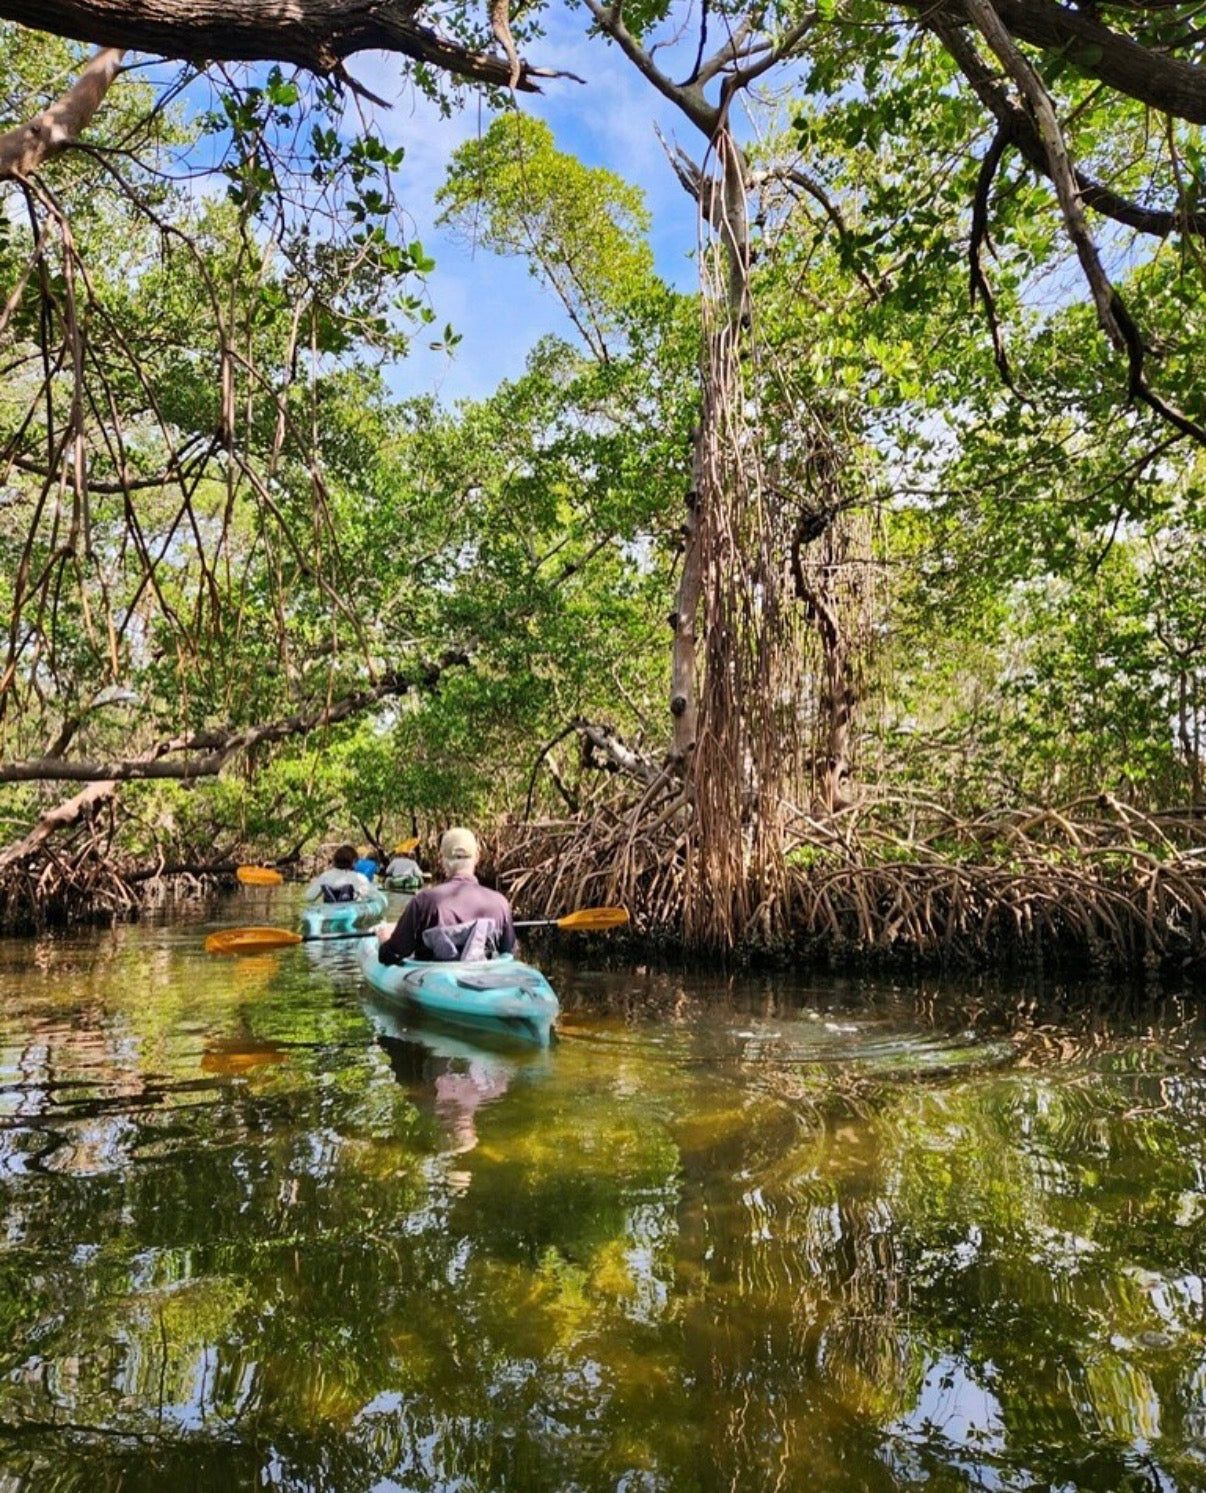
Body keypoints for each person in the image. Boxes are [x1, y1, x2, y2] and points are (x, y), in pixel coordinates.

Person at [376, 827, 515, 964]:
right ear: (477, 857)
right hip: (483, 979)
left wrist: (386, 940)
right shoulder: (500, 903)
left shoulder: (423, 902)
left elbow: (391, 955)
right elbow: (508, 953)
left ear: (442, 859)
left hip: (432, 983)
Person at [303, 843, 374, 904]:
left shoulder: (325, 876)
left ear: (335, 860)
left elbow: (309, 897)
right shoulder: (359, 878)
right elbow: (372, 896)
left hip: (328, 912)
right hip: (350, 911)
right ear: (353, 862)